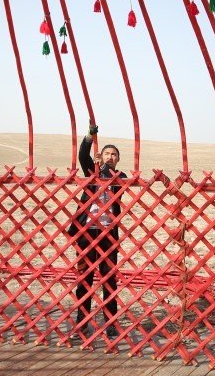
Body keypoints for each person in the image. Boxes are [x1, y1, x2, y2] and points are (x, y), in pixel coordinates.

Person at [73, 123, 126, 339]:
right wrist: (89, 136)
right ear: (101, 156)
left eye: (114, 154)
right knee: (85, 277)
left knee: (108, 278)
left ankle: (110, 323)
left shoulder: (119, 176)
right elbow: (83, 156)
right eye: (107, 154)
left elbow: (116, 182)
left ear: (118, 159)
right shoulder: (91, 170)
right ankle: (82, 321)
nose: (110, 157)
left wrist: (102, 170)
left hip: (107, 234)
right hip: (86, 232)